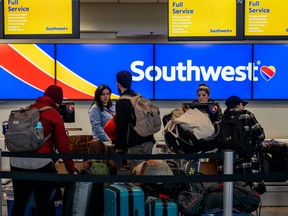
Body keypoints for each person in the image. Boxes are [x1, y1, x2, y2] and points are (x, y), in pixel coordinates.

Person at [10, 85, 77, 216]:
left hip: (17, 162)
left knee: (20, 203)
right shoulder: (53, 113)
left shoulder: (28, 109)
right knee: (43, 203)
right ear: (58, 101)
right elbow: (63, 146)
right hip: (40, 164)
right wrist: (71, 169)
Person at [115, 70, 156, 169]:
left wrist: (119, 147)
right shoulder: (138, 97)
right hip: (149, 141)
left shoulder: (122, 101)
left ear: (119, 85)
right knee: (146, 173)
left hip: (135, 144)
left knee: (137, 176)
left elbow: (122, 127)